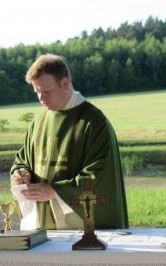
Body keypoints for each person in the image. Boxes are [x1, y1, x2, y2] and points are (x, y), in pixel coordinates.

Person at [10, 53, 129, 229]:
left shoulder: (94, 122)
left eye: (46, 91)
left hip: (81, 227)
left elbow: (100, 174)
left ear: (65, 84)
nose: (41, 98)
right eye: (37, 92)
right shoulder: (39, 122)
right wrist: (21, 173)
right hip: (42, 223)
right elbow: (23, 158)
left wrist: (54, 191)